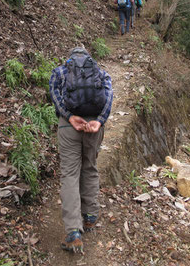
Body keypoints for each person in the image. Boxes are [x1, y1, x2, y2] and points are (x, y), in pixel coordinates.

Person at [49, 47, 113, 253]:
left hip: (69, 127)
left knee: (69, 173)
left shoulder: (60, 72)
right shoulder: (101, 73)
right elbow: (109, 97)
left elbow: (55, 96)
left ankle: (73, 232)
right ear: (88, 59)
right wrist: (99, 121)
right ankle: (90, 217)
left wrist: (69, 116)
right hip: (94, 127)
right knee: (90, 167)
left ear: (70, 57)